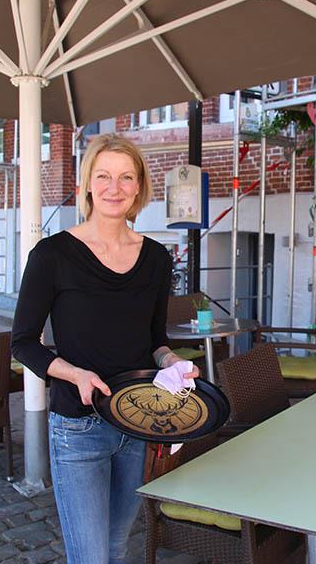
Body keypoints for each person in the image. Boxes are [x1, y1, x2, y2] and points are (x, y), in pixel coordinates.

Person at [11, 133, 199, 564]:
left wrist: (173, 361)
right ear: (87, 185)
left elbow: (155, 341)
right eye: (104, 176)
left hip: (139, 422)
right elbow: (22, 343)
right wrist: (74, 373)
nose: (115, 187)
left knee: (117, 547)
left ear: (139, 187)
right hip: (78, 427)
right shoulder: (52, 255)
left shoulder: (157, 258)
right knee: (91, 557)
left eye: (126, 177)